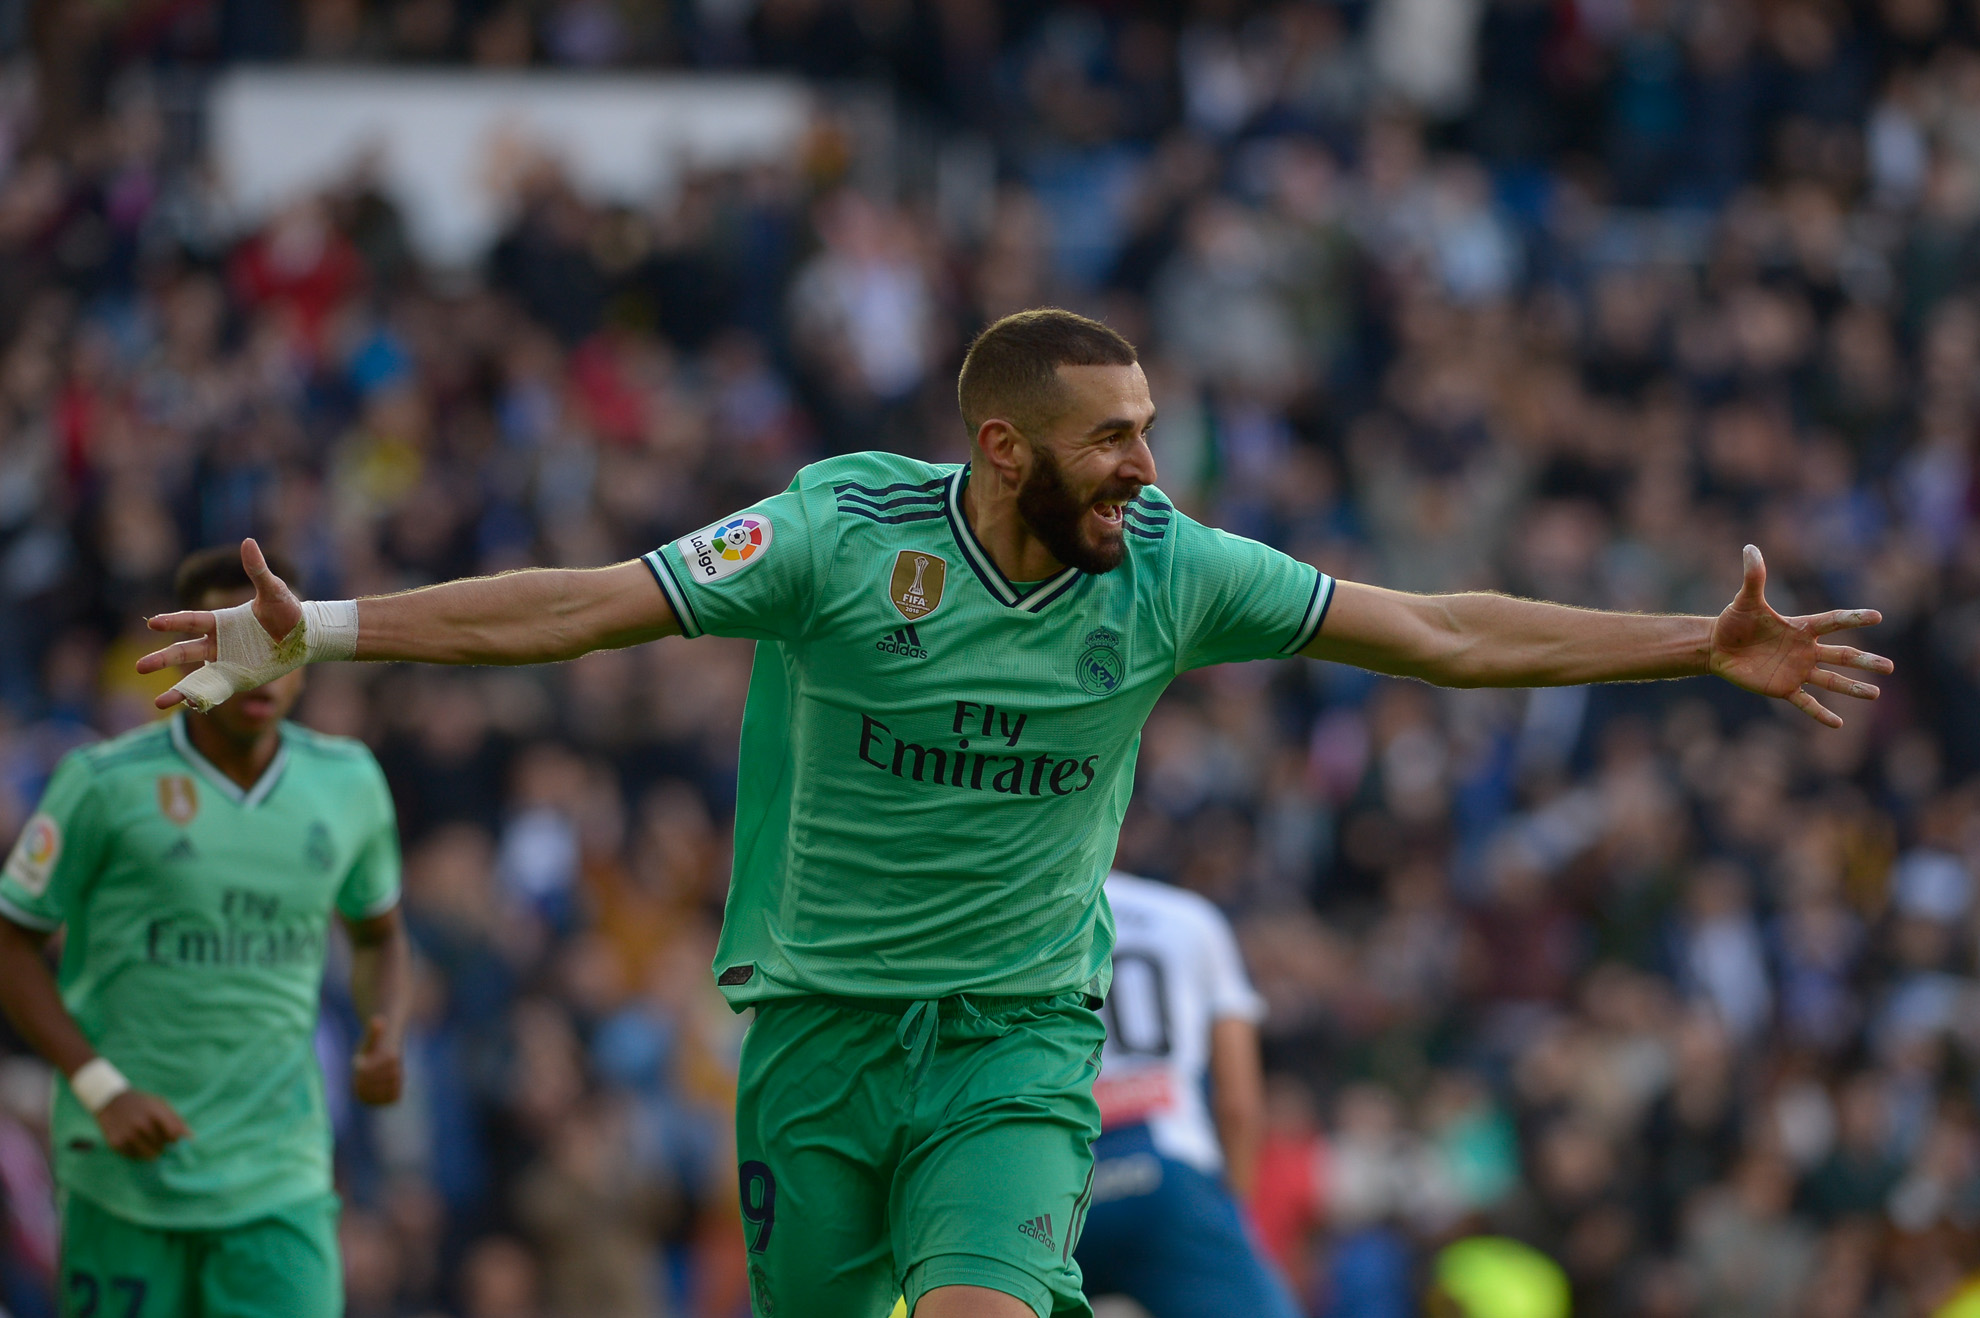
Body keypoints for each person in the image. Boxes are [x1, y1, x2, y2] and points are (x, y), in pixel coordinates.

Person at [135, 308, 1890, 1318]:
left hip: (1017, 1043)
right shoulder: (838, 536)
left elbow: (1431, 628)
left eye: (1148, 426)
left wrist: (1685, 643)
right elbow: (585, 599)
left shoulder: (1176, 571)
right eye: (1113, 435)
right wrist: (331, 628)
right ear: (1000, 446)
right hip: (816, 1032)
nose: (1147, 460)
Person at [0, 546, 410, 1318]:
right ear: (189, 649)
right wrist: (100, 1087)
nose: (263, 667)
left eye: (278, 641)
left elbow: (380, 933)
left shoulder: (349, 783)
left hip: (279, 1181)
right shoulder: (101, 784)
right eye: (233, 641)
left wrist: (385, 1027)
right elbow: (10, 940)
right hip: (123, 1178)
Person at [1076, 870, 1299, 1318]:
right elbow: (1239, 1104)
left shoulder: (1015, 918)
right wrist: (1232, 1211)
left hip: (1054, 1187)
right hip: (1169, 1173)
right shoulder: (1186, 917)